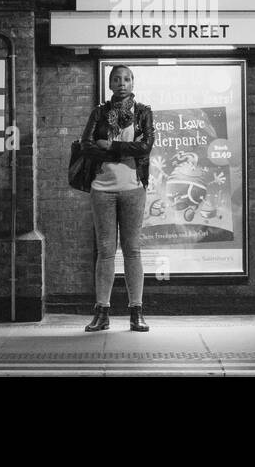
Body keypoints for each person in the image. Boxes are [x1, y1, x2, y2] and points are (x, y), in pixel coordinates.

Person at [79, 65, 155, 332]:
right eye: (116, 79)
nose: (121, 83)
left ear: (133, 83)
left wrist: (110, 147)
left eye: (126, 79)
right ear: (110, 84)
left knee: (133, 250)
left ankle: (136, 312)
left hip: (133, 188)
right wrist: (126, 151)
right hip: (102, 189)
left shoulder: (143, 112)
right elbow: (86, 145)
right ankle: (102, 312)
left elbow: (146, 147)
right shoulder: (99, 113)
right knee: (106, 251)